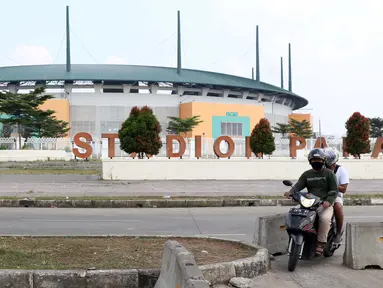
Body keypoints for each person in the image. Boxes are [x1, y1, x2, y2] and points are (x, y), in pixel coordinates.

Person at [284, 148, 338, 255]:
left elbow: (334, 190)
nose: (316, 162)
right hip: (309, 203)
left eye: (319, 160)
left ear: (324, 161)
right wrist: (290, 192)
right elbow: (298, 185)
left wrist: (328, 201)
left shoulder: (329, 174)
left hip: (323, 204)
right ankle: (294, 238)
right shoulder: (307, 174)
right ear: (310, 161)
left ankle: (320, 243)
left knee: (325, 218)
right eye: (314, 160)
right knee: (296, 217)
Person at [324, 147, 349, 246]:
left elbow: (343, 189)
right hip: (321, 195)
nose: (332, 165)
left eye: (333, 163)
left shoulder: (341, 171)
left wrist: (332, 186)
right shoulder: (320, 169)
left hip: (336, 195)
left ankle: (338, 233)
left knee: (338, 207)